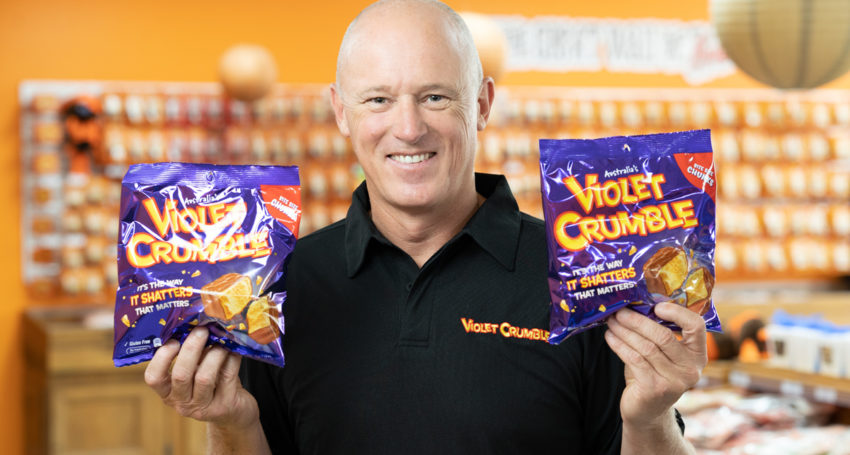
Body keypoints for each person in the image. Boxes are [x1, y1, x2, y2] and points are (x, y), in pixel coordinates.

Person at [144, 0, 708, 453]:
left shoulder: (585, 278)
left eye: (435, 97)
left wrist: (652, 419)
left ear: (482, 104)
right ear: (341, 112)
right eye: (378, 100)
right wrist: (231, 423)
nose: (409, 128)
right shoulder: (280, 285)